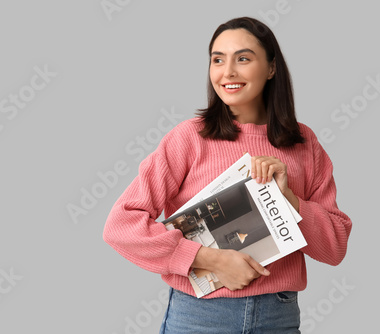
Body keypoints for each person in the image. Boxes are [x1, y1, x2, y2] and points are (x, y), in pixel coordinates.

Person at [103, 16, 352, 333]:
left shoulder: (304, 143)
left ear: (271, 68)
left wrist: (289, 200)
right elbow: (120, 226)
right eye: (217, 60)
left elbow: (334, 249)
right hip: (200, 317)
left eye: (243, 59)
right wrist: (209, 259)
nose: (228, 72)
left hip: (279, 316)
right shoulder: (189, 138)